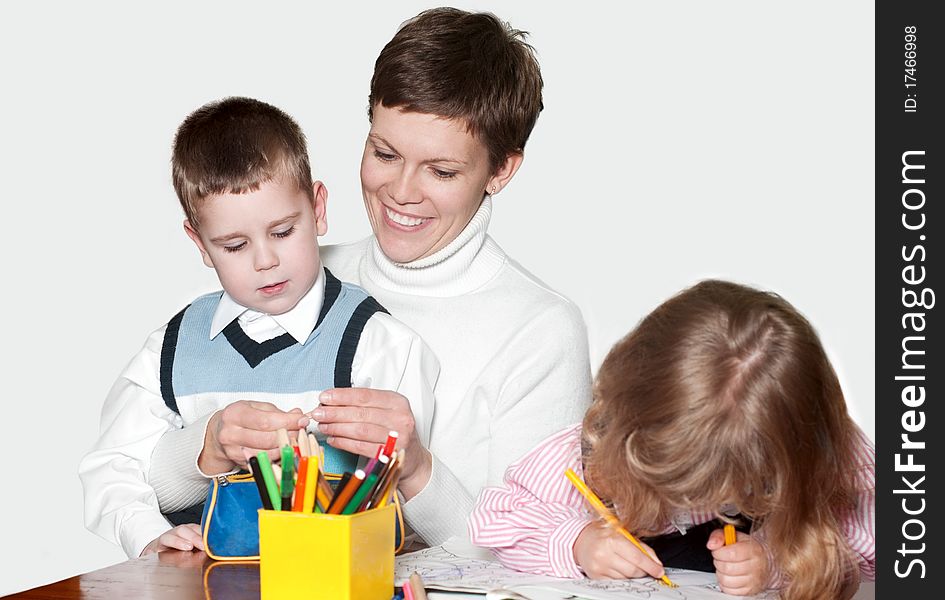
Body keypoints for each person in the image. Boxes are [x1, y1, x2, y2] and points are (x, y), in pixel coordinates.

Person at [148, 7, 592, 547]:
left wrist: (416, 469)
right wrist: (208, 442)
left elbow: (540, 554)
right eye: (385, 153)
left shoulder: (541, 329)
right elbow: (142, 482)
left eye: (442, 170)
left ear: (501, 170)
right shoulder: (290, 273)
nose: (402, 191)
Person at [78, 97, 437, 559]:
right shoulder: (171, 347)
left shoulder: (377, 342)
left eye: (283, 232)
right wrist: (148, 533)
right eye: (233, 245)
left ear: (318, 208)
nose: (265, 261)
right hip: (205, 582)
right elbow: (112, 466)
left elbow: (402, 501)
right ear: (200, 244)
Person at [469, 280, 875, 600]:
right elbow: (495, 519)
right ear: (631, 424)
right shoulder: (590, 454)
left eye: (738, 487)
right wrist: (577, 542)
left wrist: (778, 562)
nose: (697, 505)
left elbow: (876, 554)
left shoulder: (830, 460)